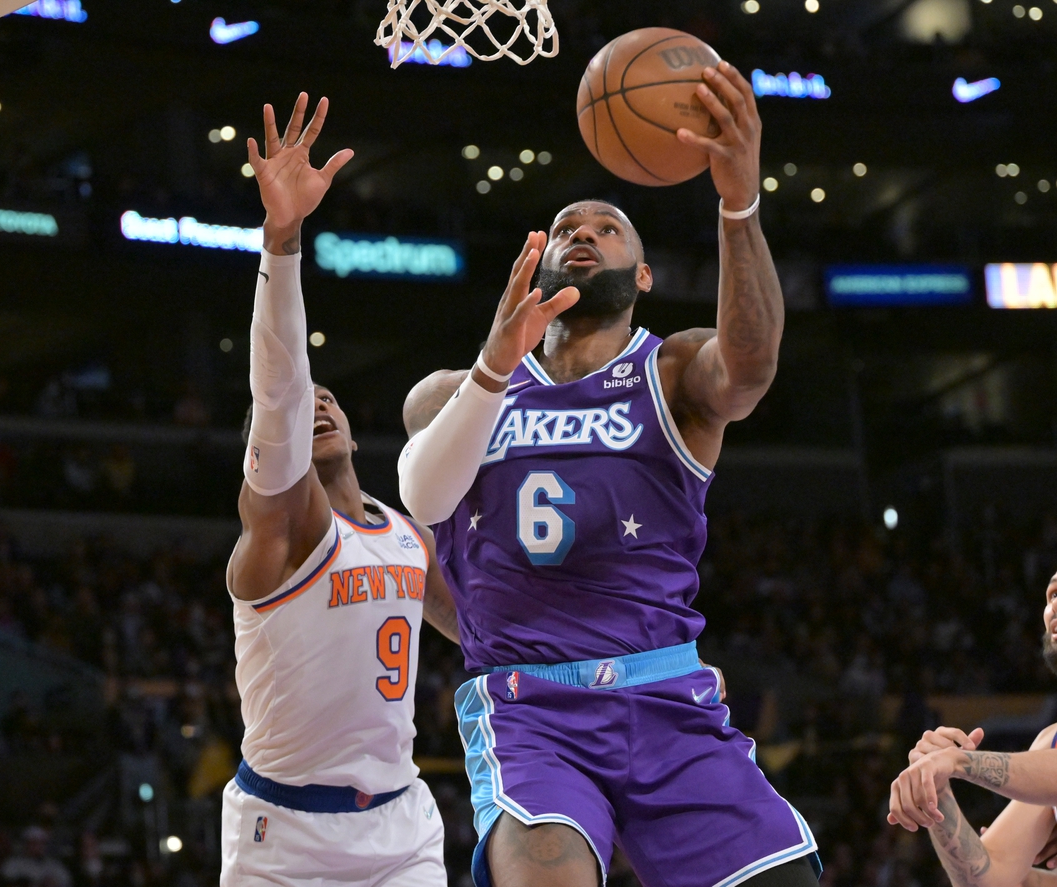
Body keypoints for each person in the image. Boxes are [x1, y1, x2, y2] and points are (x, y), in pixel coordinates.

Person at [398, 61, 819, 887]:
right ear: (537, 261)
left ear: (645, 276)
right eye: (565, 228)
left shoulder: (673, 372)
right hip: (531, 711)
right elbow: (422, 546)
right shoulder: (448, 397)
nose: (582, 233)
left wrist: (739, 202)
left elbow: (752, 366)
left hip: (665, 696)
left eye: (608, 228)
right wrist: (490, 636)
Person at [221, 93, 457, 887]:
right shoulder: (281, 535)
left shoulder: (405, 532)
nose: (317, 400)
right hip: (284, 834)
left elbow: (498, 631)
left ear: (355, 427)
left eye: (333, 397)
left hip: (400, 822)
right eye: (305, 400)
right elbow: (283, 388)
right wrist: (282, 239)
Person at [888, 569, 1057, 887]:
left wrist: (956, 761)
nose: (1056, 605)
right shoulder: (1050, 742)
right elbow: (987, 878)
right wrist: (936, 789)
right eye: (1053, 595)